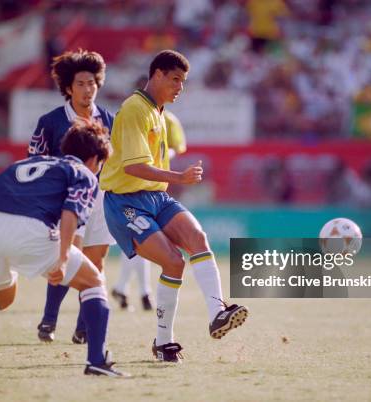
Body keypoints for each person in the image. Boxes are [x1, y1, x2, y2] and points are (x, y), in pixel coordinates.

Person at [0, 122, 128, 377]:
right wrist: (62, 259)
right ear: (95, 158)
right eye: (100, 163)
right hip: (32, 229)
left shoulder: (26, 163)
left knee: (1, 297)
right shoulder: (82, 173)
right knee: (94, 281)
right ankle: (96, 360)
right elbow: (70, 213)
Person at [100, 50, 249, 363]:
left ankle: (216, 313)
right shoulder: (134, 109)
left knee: (198, 239)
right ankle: (164, 341)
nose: (180, 86)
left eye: (183, 81)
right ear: (156, 75)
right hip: (126, 202)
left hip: (157, 197)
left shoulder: (160, 112)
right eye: (175, 79)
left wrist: (173, 177)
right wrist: (178, 175)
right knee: (173, 262)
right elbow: (133, 167)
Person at [29, 49, 116, 344]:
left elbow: (115, 161)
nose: (87, 88)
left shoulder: (108, 119)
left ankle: (83, 327)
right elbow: (35, 162)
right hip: (66, 202)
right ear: (68, 88)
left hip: (101, 198)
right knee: (69, 257)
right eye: (80, 83)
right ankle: (49, 320)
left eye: (92, 82)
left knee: (96, 261)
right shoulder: (50, 122)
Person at [111, 76, 188, 312]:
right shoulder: (131, 113)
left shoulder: (169, 120)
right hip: (129, 188)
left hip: (155, 187)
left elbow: (178, 147)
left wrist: (158, 163)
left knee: (144, 241)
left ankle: (127, 288)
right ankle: (139, 291)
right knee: (141, 240)